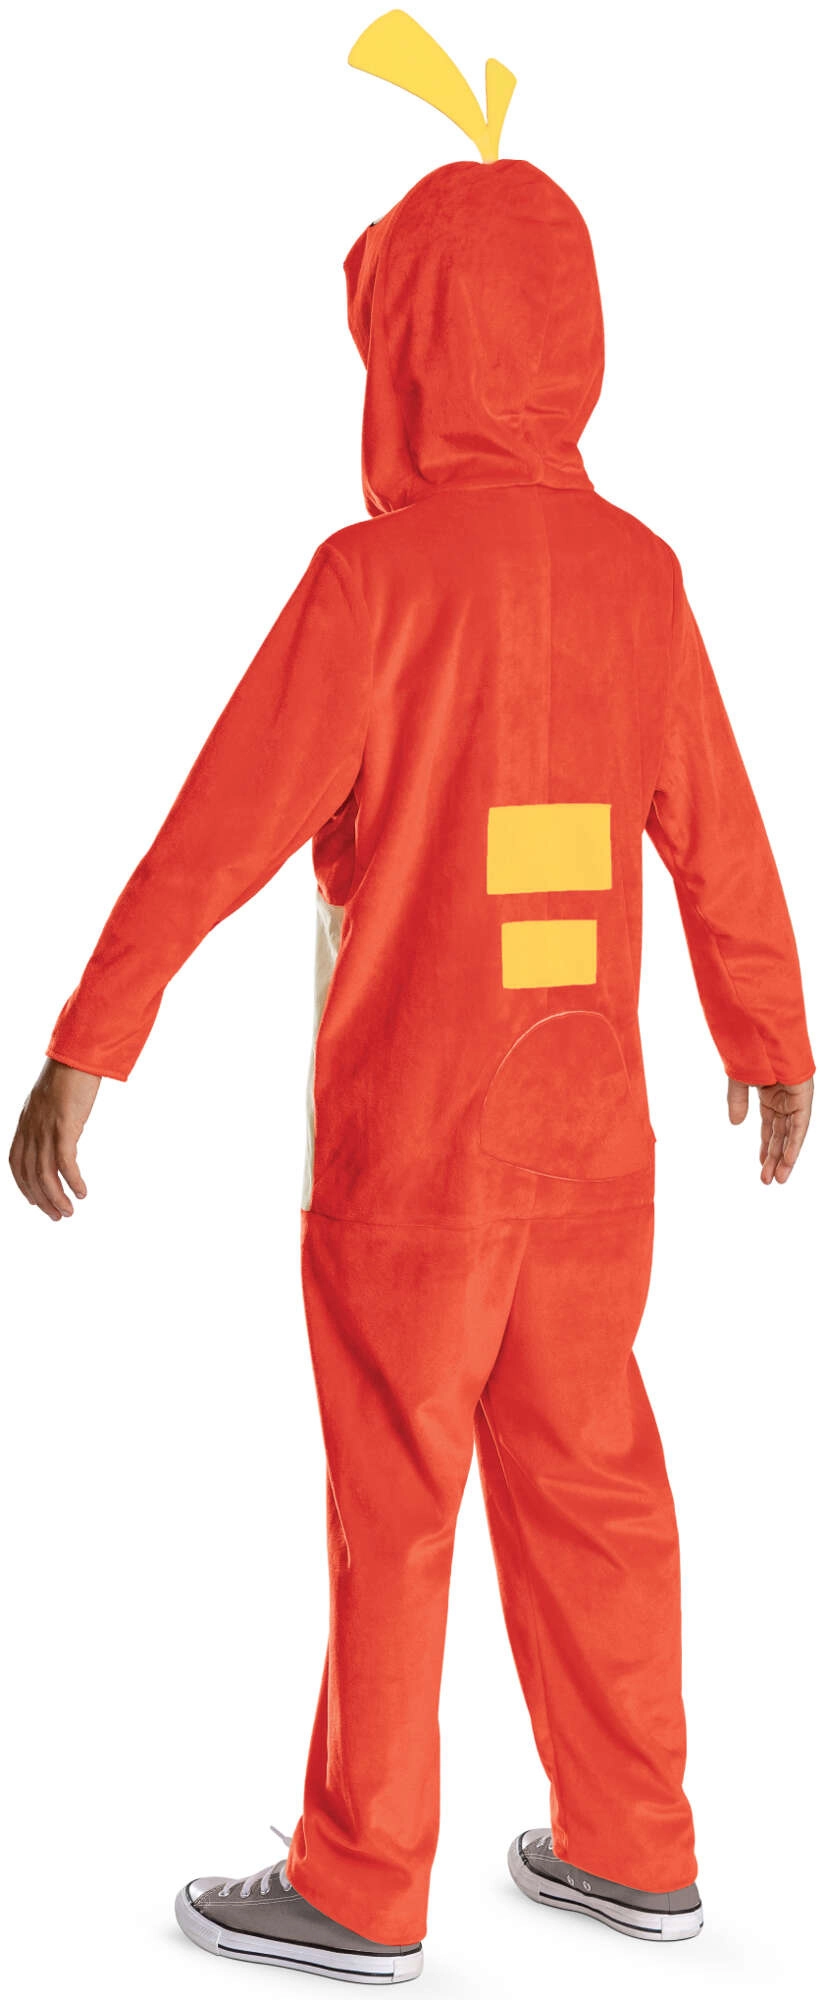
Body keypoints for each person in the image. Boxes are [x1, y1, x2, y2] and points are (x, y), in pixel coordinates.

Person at [8, 9, 815, 1985]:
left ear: (408, 348)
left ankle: (361, 1883)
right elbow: (717, 832)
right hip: (591, 1142)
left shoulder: (371, 586)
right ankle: (634, 1844)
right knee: (595, 1480)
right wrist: (769, 1036)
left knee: (399, 1501)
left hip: (416, 1149)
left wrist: (90, 1043)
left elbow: (213, 832)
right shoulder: (641, 575)